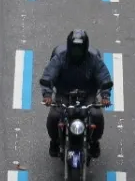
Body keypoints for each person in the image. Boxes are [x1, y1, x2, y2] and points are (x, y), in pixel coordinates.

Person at [40, 30, 113, 159]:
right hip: (64, 94)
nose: (76, 52)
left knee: (97, 116)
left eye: (79, 49)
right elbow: (48, 75)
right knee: (54, 116)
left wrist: (105, 96)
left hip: (87, 95)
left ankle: (95, 142)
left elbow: (104, 77)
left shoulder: (93, 60)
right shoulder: (60, 59)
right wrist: (47, 95)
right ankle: (55, 142)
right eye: (74, 49)